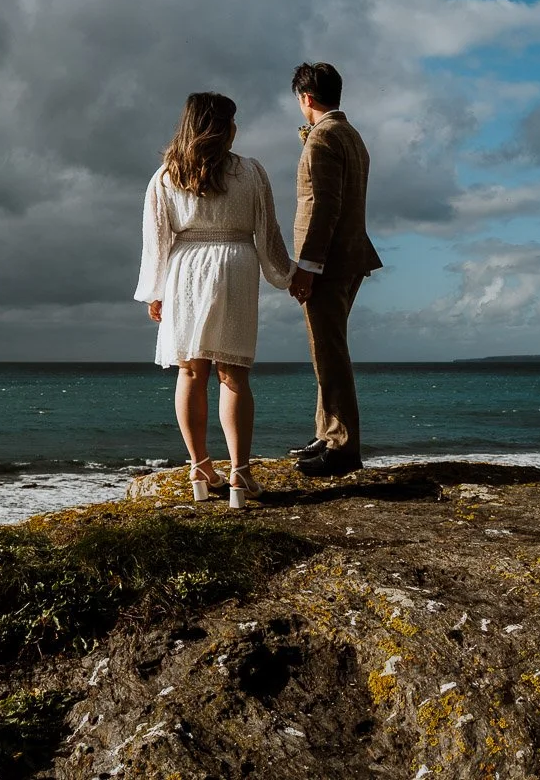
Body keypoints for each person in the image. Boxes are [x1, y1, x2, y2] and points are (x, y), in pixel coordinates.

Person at [135, 92, 293, 507]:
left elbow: (157, 242)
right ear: (225, 128)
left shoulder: (166, 176)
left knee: (190, 372)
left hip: (185, 269)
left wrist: (155, 291)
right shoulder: (251, 171)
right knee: (234, 374)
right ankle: (239, 474)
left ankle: (199, 467)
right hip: (236, 266)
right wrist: (286, 274)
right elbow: (267, 230)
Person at [285, 62, 383, 476]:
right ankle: (328, 432)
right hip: (350, 256)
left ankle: (342, 446)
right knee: (327, 347)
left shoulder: (323, 138)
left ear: (305, 98)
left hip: (330, 261)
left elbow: (321, 205)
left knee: (329, 351)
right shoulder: (351, 135)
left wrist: (307, 265)